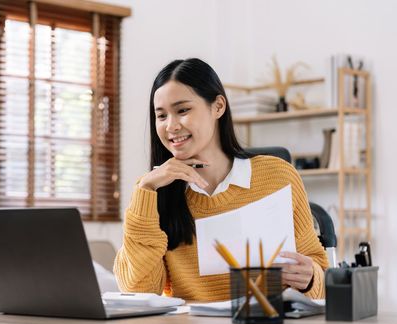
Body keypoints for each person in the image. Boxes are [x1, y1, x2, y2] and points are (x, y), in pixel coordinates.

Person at [113, 58, 328, 301]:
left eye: (182, 110)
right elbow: (137, 291)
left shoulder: (278, 176)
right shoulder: (153, 190)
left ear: (218, 107)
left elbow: (322, 278)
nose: (171, 126)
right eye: (161, 116)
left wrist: (310, 277)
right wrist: (147, 189)